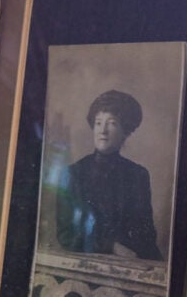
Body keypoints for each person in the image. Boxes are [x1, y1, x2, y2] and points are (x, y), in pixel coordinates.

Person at [56, 90, 162, 261]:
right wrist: (111, 246)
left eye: (111, 123)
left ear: (125, 131)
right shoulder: (73, 174)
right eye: (98, 123)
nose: (102, 131)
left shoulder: (138, 175)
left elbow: (146, 234)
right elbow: (66, 234)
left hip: (134, 263)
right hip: (86, 267)